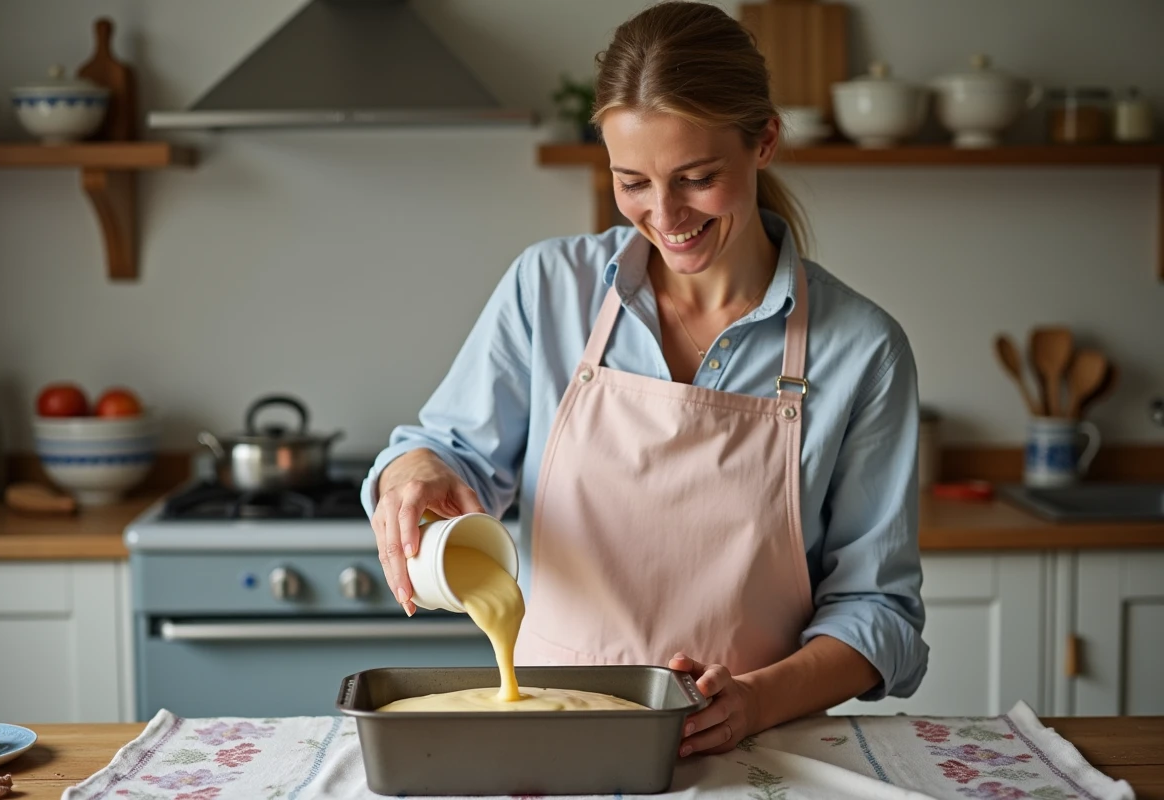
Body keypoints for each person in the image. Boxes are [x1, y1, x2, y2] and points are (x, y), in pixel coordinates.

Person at [363, 0, 928, 757]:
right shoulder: (548, 288)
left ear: (764, 141)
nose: (664, 216)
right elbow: (451, 454)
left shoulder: (862, 350)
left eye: (697, 178)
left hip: (754, 750)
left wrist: (754, 703)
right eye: (632, 182)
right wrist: (417, 467)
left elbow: (879, 612)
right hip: (550, 740)